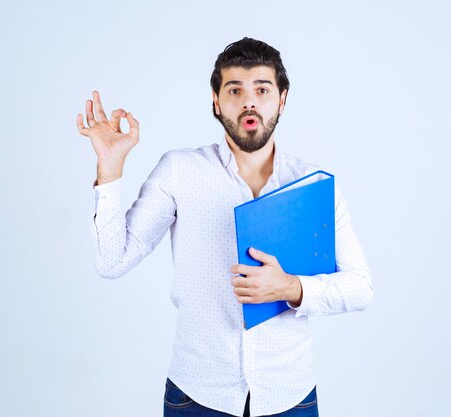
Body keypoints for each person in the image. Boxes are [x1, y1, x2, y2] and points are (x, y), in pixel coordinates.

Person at [76, 37, 373, 417]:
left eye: (262, 89)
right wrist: (110, 167)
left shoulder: (314, 185)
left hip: (290, 396)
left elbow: (360, 287)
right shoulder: (179, 171)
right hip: (197, 396)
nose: (249, 101)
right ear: (215, 101)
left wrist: (291, 287)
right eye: (235, 90)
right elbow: (111, 262)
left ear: (282, 99)